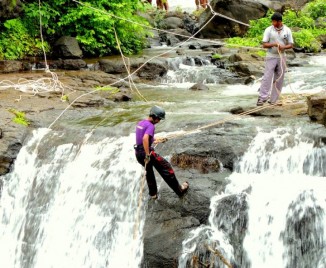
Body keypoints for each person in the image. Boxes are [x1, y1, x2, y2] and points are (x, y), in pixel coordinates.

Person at [134, 105, 189, 199]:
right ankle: (180, 191)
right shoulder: (151, 126)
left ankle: (153, 194)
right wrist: (147, 154)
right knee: (167, 168)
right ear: (154, 117)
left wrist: (157, 140)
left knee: (149, 172)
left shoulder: (141, 123)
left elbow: (144, 138)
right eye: (159, 119)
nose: (159, 121)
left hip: (138, 154)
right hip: (146, 154)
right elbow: (145, 139)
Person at [257, 12, 293, 106]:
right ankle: (262, 98)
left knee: (279, 78)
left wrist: (283, 47)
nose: (273, 23)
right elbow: (264, 44)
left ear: (280, 21)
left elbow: (291, 45)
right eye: (272, 21)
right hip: (271, 56)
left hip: (282, 57)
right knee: (267, 77)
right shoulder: (268, 30)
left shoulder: (287, 30)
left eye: (274, 21)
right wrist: (273, 44)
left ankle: (273, 100)